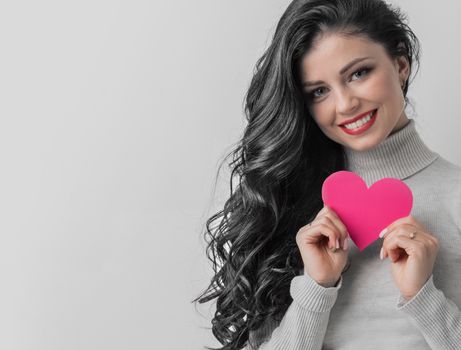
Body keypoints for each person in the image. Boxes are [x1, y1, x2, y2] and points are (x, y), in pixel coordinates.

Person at [193, 0, 461, 349]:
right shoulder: (288, 202)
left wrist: (423, 296)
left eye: (359, 73)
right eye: (319, 91)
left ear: (400, 64)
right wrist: (316, 287)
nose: (345, 104)